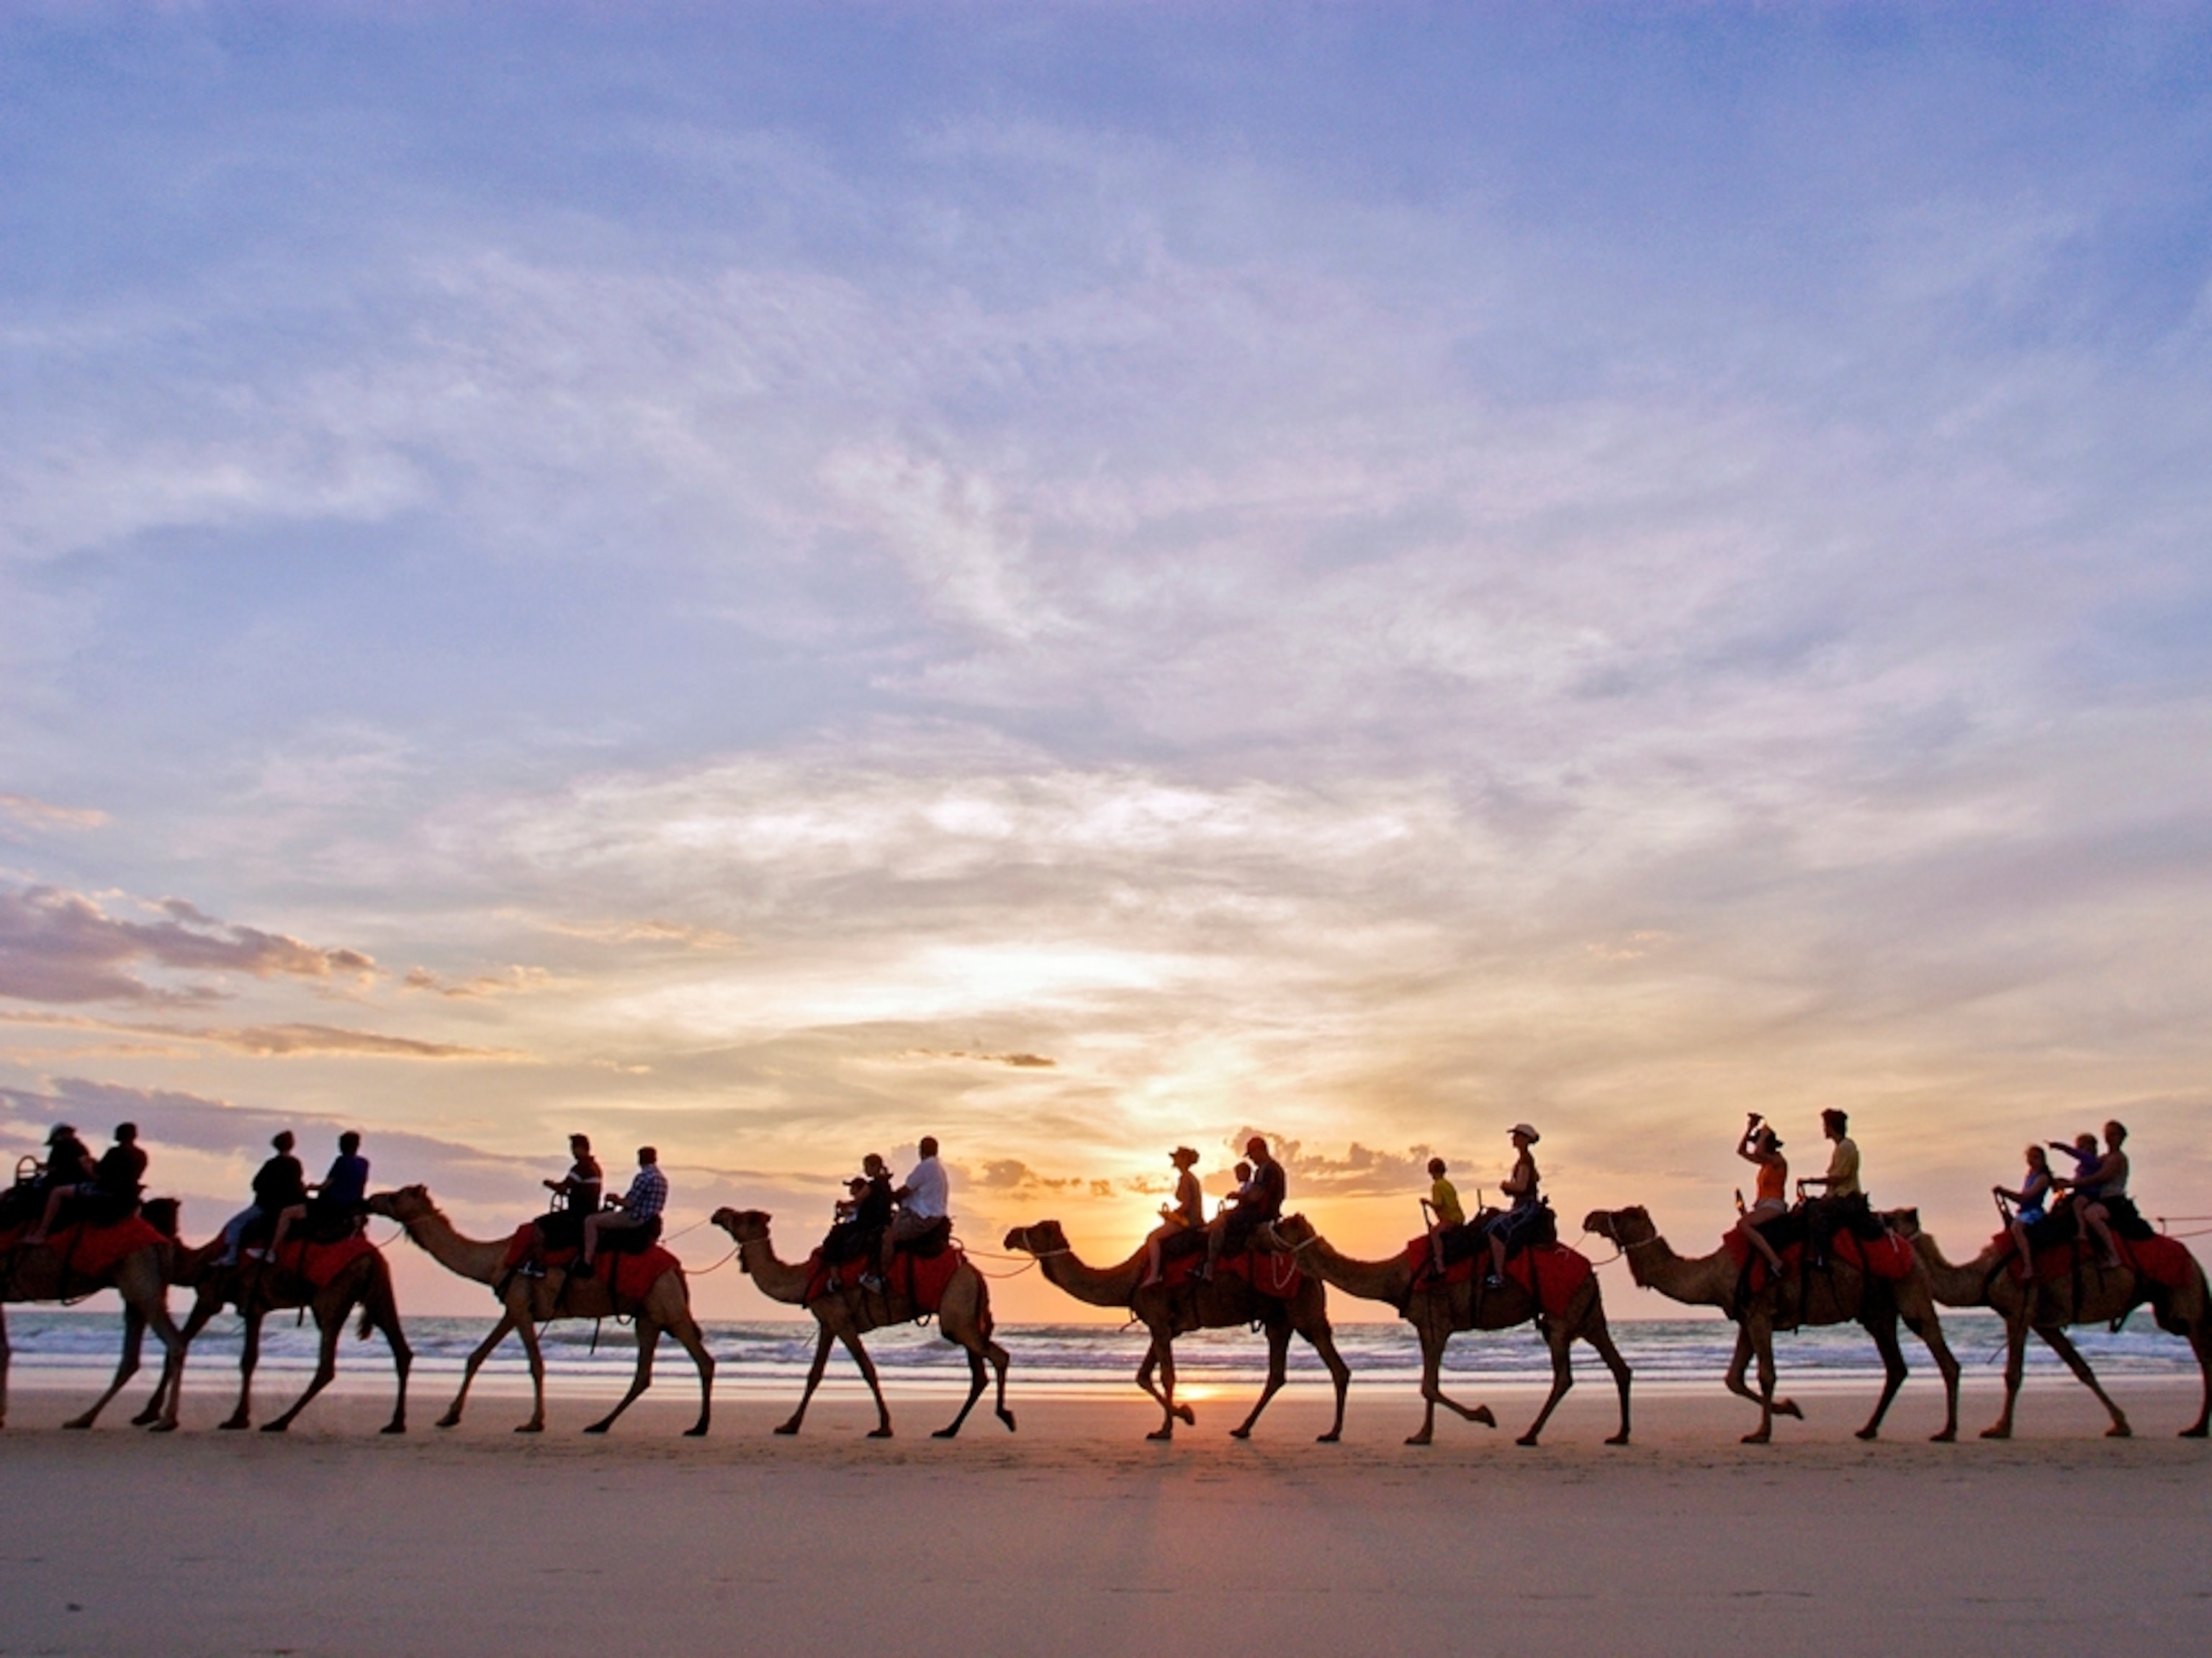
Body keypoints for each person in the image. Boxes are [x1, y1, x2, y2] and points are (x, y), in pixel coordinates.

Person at [27, 1122, 145, 1243]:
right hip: (129, 1193)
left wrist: (89, 1165)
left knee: (56, 1192)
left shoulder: (115, 1152)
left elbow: (98, 1173)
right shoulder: (142, 1155)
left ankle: (41, 1233)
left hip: (106, 1191)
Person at [216, 1131, 308, 1266]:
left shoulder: (271, 1164)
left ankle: (232, 1256)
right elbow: (296, 1185)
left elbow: (256, 1184)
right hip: (285, 1205)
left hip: (265, 1206)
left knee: (235, 1224)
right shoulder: (295, 1164)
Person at [271, 1131, 369, 1257]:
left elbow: (325, 1186)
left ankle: (272, 1250)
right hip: (350, 1207)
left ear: (342, 1145)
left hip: (331, 1206)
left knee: (287, 1213)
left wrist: (311, 1187)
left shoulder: (342, 1161)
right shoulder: (364, 1163)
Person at [1205, 1136, 1285, 1278]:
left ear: (1260, 1150)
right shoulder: (1274, 1168)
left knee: (1220, 1222)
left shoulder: (1266, 1169)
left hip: (1259, 1214)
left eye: (1252, 1154)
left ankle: (1210, 1265)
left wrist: (1238, 1197)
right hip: (1269, 1212)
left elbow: (1256, 1196)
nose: (1252, 1159)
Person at [579, 1146, 667, 1274]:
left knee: (591, 1221)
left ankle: (586, 1262)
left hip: (634, 1219)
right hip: (651, 1221)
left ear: (640, 1159)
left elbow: (629, 1203)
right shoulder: (662, 1179)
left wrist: (614, 1199)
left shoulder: (644, 1177)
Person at [2057, 1121, 2132, 1269]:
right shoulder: (2104, 1158)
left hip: (2113, 1201)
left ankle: (2113, 1255)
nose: (2109, 1137)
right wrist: (2064, 1182)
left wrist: (2071, 1184)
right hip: (2100, 1199)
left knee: (2091, 1215)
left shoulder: (2118, 1158)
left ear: (2121, 1137)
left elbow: (2099, 1178)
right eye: (2107, 1134)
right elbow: (2087, 1168)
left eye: (2113, 1134)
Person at [1798, 1109, 1863, 1265]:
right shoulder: (1843, 1147)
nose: (1824, 1129)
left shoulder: (1845, 1147)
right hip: (1842, 1197)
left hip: (1847, 1199)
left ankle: (1821, 1256)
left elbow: (1839, 1177)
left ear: (1832, 1127)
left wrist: (1810, 1181)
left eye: (1825, 1125)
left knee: (1815, 1211)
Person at [1731, 1116, 1789, 1276]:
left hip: (1774, 1205)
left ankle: (1777, 1263)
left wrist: (1763, 1132)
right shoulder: (1765, 1164)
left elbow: (1758, 1152)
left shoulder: (1778, 1160)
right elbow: (1741, 1151)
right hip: (1763, 1205)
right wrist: (1750, 1128)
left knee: (1744, 1224)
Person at [1485, 1124, 1542, 1285]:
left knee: (1496, 1230)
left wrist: (1506, 1185)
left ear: (1524, 1139)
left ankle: (1499, 1275)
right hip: (1524, 1204)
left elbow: (1521, 1187)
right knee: (1491, 1224)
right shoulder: (1526, 1159)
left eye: (1516, 1136)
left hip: (1526, 1206)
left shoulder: (1525, 1160)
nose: (1513, 1139)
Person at [1142, 1147, 1206, 1288]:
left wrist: (1173, 1215)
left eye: (1177, 1157)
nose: (1174, 1160)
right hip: (1193, 1219)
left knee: (1153, 1238)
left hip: (1189, 1222)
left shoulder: (1185, 1178)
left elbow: (1187, 1204)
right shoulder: (1190, 1177)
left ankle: (1155, 1275)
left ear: (1183, 1159)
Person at [884, 1136, 950, 1266]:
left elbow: (906, 1190)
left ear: (921, 1151)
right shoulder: (938, 1169)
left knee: (888, 1237)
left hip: (923, 1217)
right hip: (933, 1215)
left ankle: (882, 1273)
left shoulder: (926, 1167)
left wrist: (892, 1196)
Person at [538, 1134, 604, 1251]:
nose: (572, 1152)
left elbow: (563, 1188)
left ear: (580, 1148)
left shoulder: (581, 1168)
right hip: (590, 1211)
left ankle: (539, 1259)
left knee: (539, 1224)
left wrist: (549, 1184)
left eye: (573, 1148)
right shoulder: (596, 1167)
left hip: (577, 1214)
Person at [1994, 1144, 2055, 1271]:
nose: (2032, 1161)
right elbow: (2022, 1198)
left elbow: (2027, 1196)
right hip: (2025, 1211)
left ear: (2043, 1160)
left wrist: (2006, 1192)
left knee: (2017, 1227)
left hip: (2034, 1212)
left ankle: (2028, 1265)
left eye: (2036, 1157)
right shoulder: (2030, 1175)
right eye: (2030, 1157)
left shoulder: (2042, 1178)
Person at [1423, 1157, 1465, 1281]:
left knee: (1434, 1233)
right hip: (1459, 1218)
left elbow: (1438, 1204)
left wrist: (1427, 1202)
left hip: (1450, 1219)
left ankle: (1440, 1266)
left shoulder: (1437, 1186)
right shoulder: (1448, 1184)